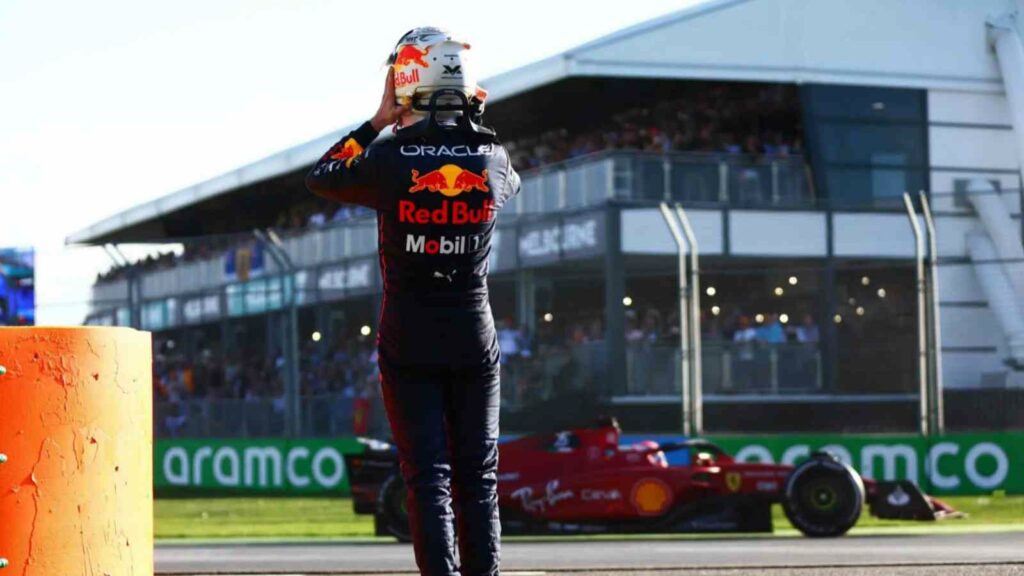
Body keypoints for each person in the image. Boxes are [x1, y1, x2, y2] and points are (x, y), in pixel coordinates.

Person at [305, 27, 519, 576]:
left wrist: (378, 121)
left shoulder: (391, 157)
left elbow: (323, 175)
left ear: (403, 86)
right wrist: (466, 116)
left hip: (409, 333)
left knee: (429, 477)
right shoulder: (491, 155)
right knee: (479, 476)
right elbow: (509, 180)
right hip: (474, 331)